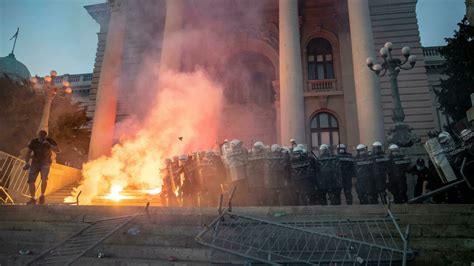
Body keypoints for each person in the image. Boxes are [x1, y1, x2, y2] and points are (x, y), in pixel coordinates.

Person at [23, 130, 59, 205]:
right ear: (38, 135)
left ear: (45, 136)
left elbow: (58, 150)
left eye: (43, 136)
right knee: (31, 180)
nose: (41, 137)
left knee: (44, 179)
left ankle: (42, 196)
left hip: (45, 163)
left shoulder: (49, 141)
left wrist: (49, 144)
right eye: (40, 135)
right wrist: (26, 162)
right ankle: (33, 198)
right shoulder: (34, 141)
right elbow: (28, 152)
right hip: (35, 163)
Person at [246, 141, 267, 206]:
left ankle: (260, 203)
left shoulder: (252, 155)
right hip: (257, 178)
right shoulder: (252, 155)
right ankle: (259, 203)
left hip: (259, 178)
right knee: (258, 192)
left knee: (260, 191)